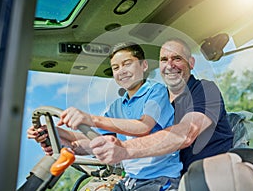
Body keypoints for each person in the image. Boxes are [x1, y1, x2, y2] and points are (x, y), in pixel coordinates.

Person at [27, 42, 182, 191]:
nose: (121, 71)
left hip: (159, 180)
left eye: (127, 64)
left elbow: (143, 127)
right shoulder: (116, 107)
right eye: (116, 68)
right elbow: (92, 138)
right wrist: (54, 132)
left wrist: (91, 119)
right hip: (130, 180)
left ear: (144, 65)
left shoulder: (156, 91)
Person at [89, 38, 234, 175]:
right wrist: (70, 140)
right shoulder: (156, 99)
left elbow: (186, 134)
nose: (170, 65)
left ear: (191, 63)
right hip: (171, 181)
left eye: (177, 58)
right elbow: (105, 137)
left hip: (211, 177)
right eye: (164, 60)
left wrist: (124, 149)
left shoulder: (205, 90)